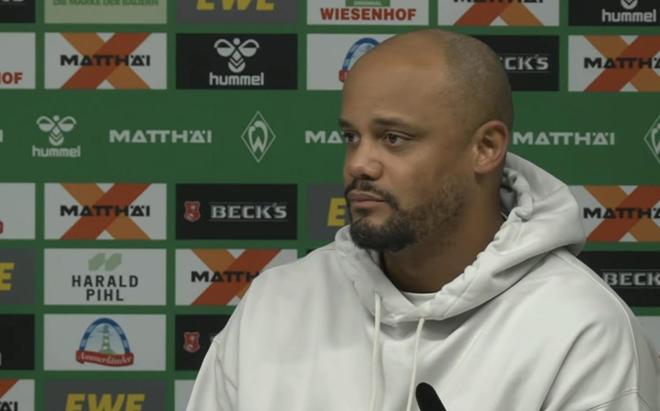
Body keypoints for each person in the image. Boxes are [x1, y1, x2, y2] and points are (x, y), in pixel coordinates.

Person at [187, 29, 659, 411]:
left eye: (394, 138)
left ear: (486, 148)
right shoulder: (277, 303)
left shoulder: (580, 330)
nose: (359, 164)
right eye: (351, 137)